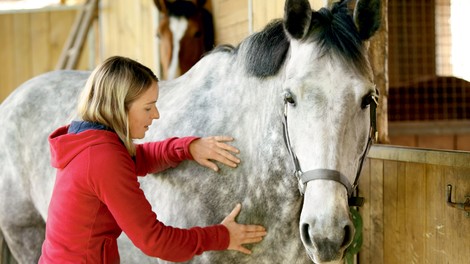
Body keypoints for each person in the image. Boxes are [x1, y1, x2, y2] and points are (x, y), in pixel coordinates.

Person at [39, 56, 267, 263]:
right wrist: (222, 236)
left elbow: (138, 158)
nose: (156, 115)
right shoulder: (102, 158)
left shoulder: (88, 141)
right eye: (148, 107)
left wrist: (188, 147)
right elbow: (155, 241)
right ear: (120, 108)